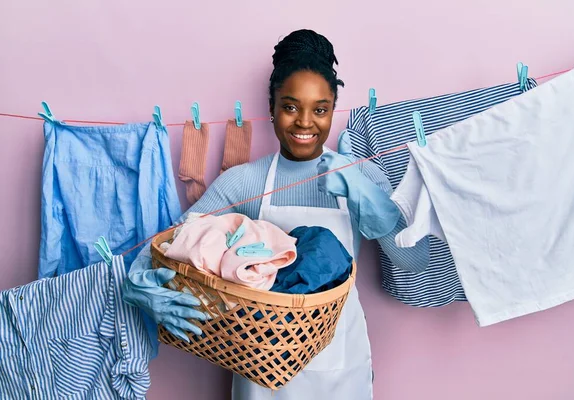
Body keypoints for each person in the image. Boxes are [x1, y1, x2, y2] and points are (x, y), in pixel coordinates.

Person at [123, 29, 426, 400]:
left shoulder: (362, 175)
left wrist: (367, 196)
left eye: (320, 109)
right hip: (258, 370)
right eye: (290, 106)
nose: (304, 123)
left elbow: (415, 260)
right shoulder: (244, 182)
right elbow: (168, 245)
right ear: (272, 108)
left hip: (340, 365)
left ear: (333, 109)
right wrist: (137, 286)